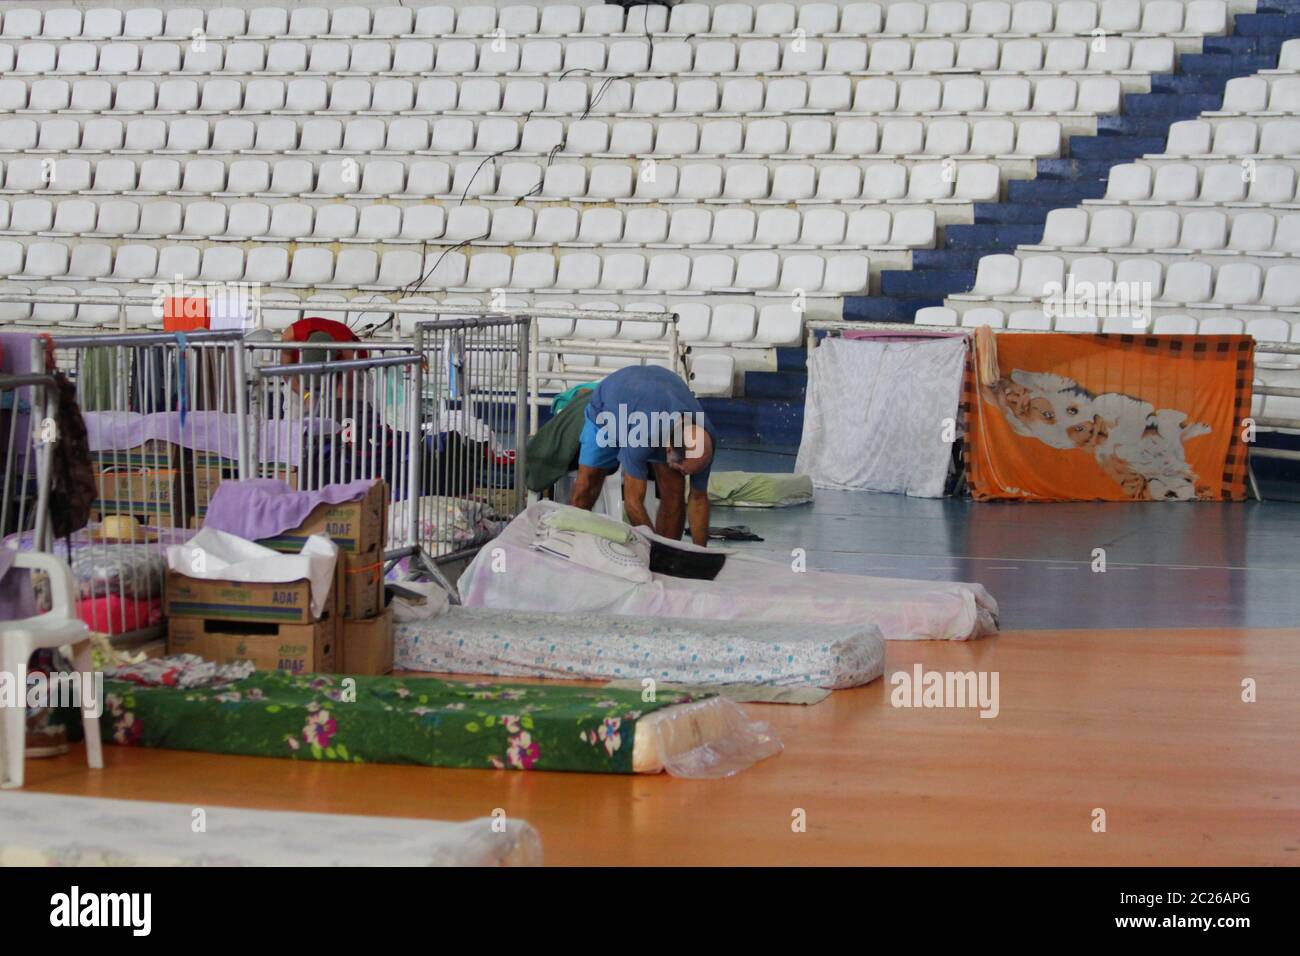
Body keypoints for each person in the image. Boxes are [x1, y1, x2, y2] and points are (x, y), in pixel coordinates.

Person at [570, 366, 715, 546]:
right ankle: (571, 541)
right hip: (607, 410)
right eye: (682, 469)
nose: (685, 474)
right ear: (669, 450)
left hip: (653, 398)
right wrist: (653, 548)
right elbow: (632, 502)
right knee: (587, 485)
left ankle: (670, 555)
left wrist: (700, 554)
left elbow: (698, 498)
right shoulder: (642, 437)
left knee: (674, 489)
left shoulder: (705, 437)